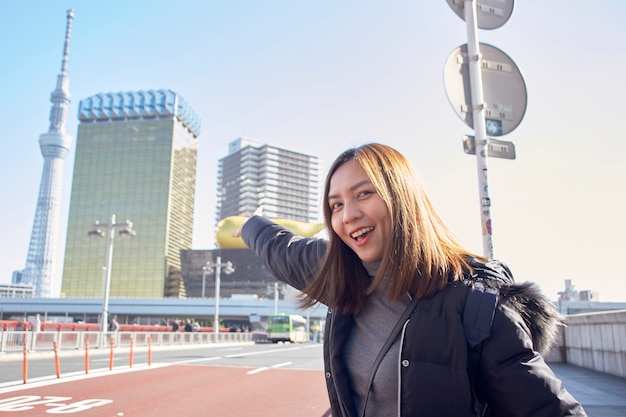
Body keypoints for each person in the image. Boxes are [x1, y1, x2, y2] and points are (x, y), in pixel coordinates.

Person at [233, 143, 586, 416]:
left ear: (402, 197)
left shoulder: (476, 304)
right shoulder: (343, 276)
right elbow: (282, 250)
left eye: (364, 193)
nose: (348, 215)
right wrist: (251, 225)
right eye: (336, 204)